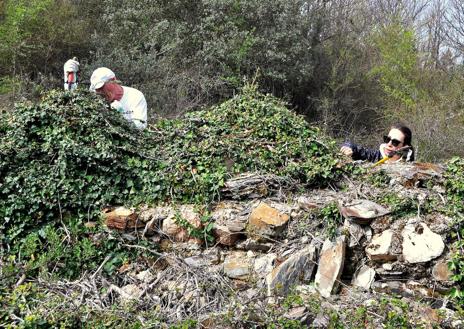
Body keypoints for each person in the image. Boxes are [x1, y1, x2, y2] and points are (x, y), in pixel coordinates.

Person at [340, 125, 414, 163]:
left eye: (395, 142)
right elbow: (353, 146)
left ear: (405, 146)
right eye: (387, 139)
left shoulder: (411, 168)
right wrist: (347, 148)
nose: (389, 144)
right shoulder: (375, 156)